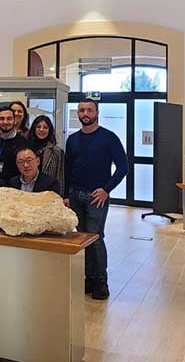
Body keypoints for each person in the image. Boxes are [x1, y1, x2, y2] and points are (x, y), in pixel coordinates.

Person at [64, 98, 128, 300]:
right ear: (77, 113)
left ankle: (101, 282)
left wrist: (106, 190)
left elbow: (123, 167)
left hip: (96, 197)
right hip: (75, 195)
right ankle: (89, 278)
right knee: (83, 238)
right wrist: (66, 195)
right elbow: (67, 169)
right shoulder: (72, 140)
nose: (85, 114)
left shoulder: (109, 138)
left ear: (97, 113)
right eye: (81, 110)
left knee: (95, 237)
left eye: (89, 110)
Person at [0, 106, 29, 181]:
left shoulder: (24, 143)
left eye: (9, 119)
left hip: (15, 185)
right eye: (2, 119)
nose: (5, 122)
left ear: (15, 120)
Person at [29, 115, 64, 192]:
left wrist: (60, 195)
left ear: (49, 130)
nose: (41, 130)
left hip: (48, 189)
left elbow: (60, 176)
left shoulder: (56, 151)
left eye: (45, 127)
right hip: (28, 188)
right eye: (38, 127)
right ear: (34, 129)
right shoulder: (27, 148)